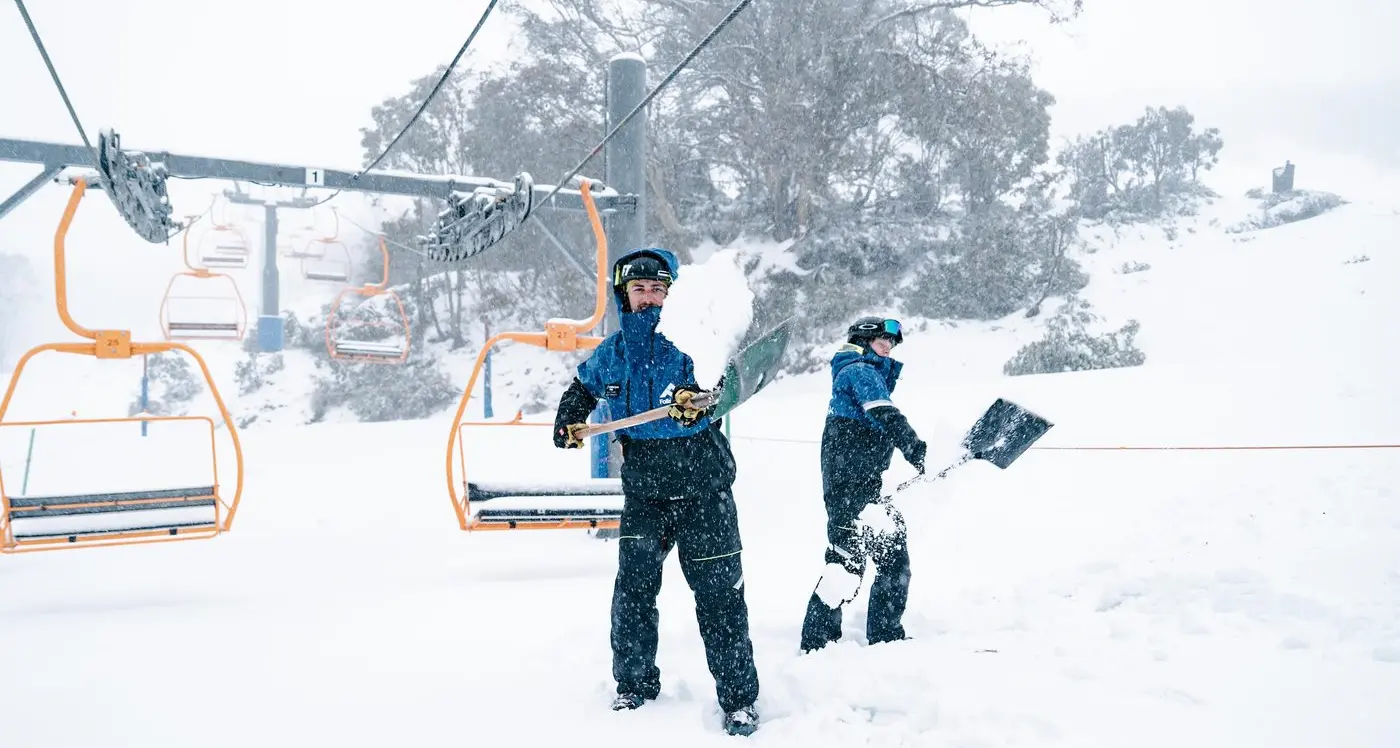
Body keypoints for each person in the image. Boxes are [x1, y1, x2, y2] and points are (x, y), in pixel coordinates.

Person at [552, 247, 761, 737]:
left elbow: (729, 381)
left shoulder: (690, 339)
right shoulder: (616, 351)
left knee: (720, 597)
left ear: (672, 294)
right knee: (633, 593)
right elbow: (582, 387)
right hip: (645, 492)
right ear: (625, 295)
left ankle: (738, 701)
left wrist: (704, 400)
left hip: (702, 488)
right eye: (639, 290)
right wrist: (569, 418)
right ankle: (634, 686)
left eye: (658, 290)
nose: (648, 299)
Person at [799, 316, 927, 653]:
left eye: (892, 343)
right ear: (863, 339)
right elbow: (885, 413)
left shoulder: (868, 373)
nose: (888, 347)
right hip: (848, 486)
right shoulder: (858, 371)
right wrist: (918, 450)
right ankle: (818, 646)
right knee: (846, 562)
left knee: (893, 558)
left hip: (869, 487)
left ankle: (885, 637)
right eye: (882, 340)